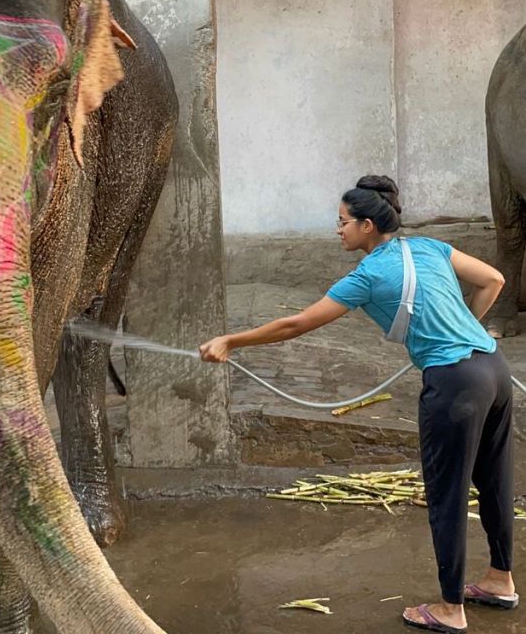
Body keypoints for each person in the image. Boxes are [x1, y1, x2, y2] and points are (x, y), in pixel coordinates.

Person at [200, 175, 517, 634]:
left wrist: (232, 340)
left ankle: (451, 608)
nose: (338, 230)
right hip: (493, 366)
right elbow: (494, 279)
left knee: (447, 498)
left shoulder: (367, 276)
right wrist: (462, 325)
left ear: (368, 226)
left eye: (343, 222)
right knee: (494, 480)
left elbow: (297, 324)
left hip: (455, 385)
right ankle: (500, 581)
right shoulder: (429, 247)